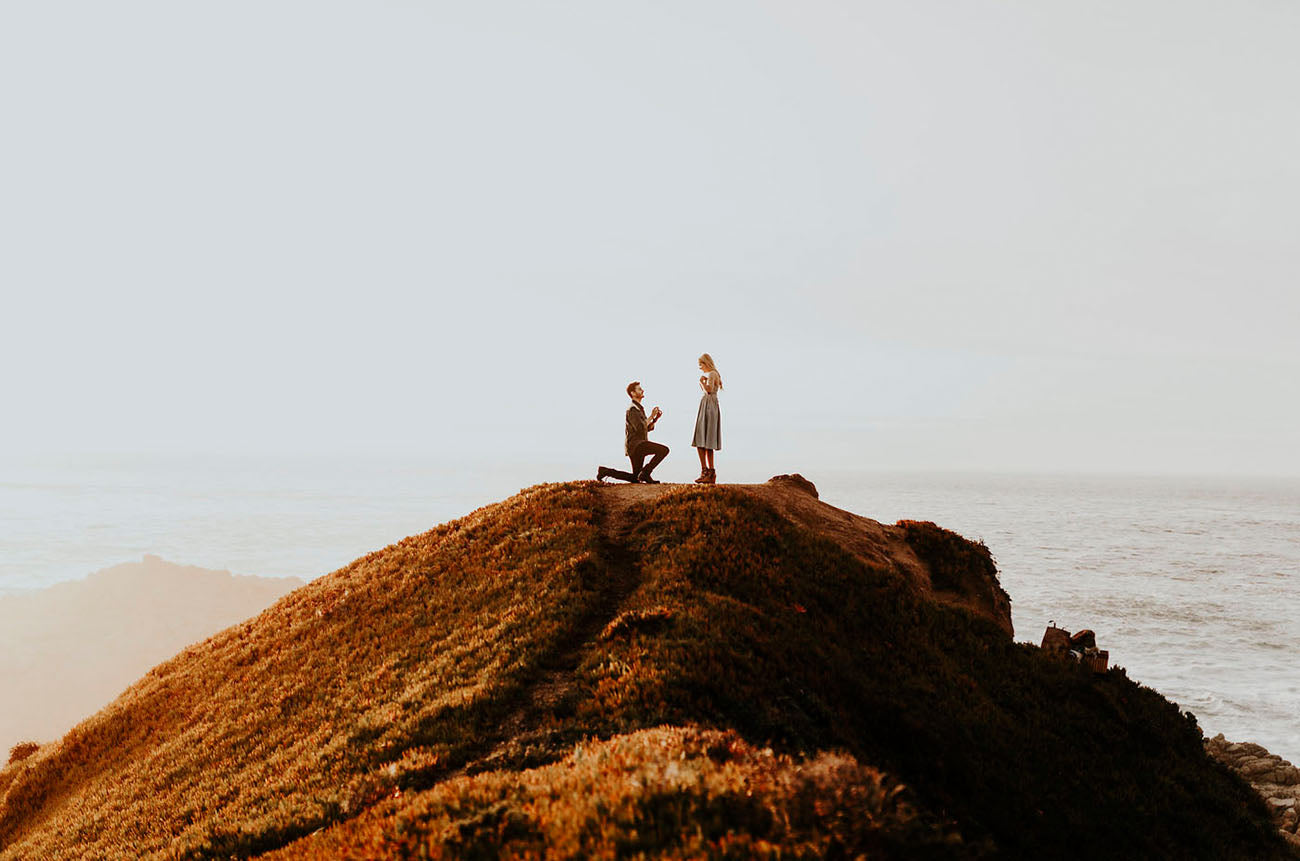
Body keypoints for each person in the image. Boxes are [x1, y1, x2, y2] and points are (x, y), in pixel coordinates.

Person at [596, 381, 669, 484]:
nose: (642, 390)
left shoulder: (638, 408)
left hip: (636, 445)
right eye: (639, 389)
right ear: (633, 393)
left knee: (635, 478)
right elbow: (640, 428)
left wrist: (655, 419)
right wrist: (651, 416)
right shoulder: (633, 409)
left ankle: (605, 471)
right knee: (664, 450)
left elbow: (645, 428)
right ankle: (646, 473)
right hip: (637, 445)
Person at [692, 353, 722, 484]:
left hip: (708, 405)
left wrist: (702, 382)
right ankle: (710, 472)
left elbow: (709, 390)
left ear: (706, 363)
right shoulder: (714, 374)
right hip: (711, 405)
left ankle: (705, 471)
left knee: (701, 439)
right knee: (707, 440)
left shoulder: (711, 374)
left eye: (700, 364)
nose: (700, 367)